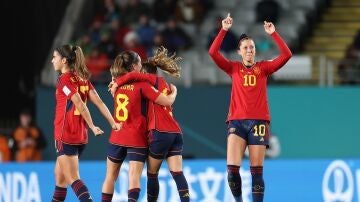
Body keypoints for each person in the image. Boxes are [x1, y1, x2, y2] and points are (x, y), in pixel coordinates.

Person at [208, 14, 292, 202]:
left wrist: (273, 33)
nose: (249, 50)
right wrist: (223, 30)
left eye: (252, 47)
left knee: (256, 172)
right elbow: (213, 53)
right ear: (239, 51)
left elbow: (287, 55)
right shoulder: (233, 68)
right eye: (245, 47)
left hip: (259, 122)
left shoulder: (264, 68)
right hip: (236, 122)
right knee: (232, 172)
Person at [110, 47, 190, 202]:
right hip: (176, 133)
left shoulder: (148, 82)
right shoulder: (165, 84)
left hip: (159, 132)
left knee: (152, 174)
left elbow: (133, 75)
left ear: (145, 74)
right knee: (177, 173)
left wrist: (116, 82)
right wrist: (174, 92)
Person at [51, 44, 120, 202]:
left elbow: (80, 104)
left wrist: (92, 126)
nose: (52, 60)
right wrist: (113, 123)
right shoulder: (83, 79)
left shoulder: (64, 80)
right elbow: (100, 103)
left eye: (55, 57)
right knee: (60, 178)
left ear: (64, 61)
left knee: (73, 179)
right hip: (79, 136)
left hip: (66, 134)